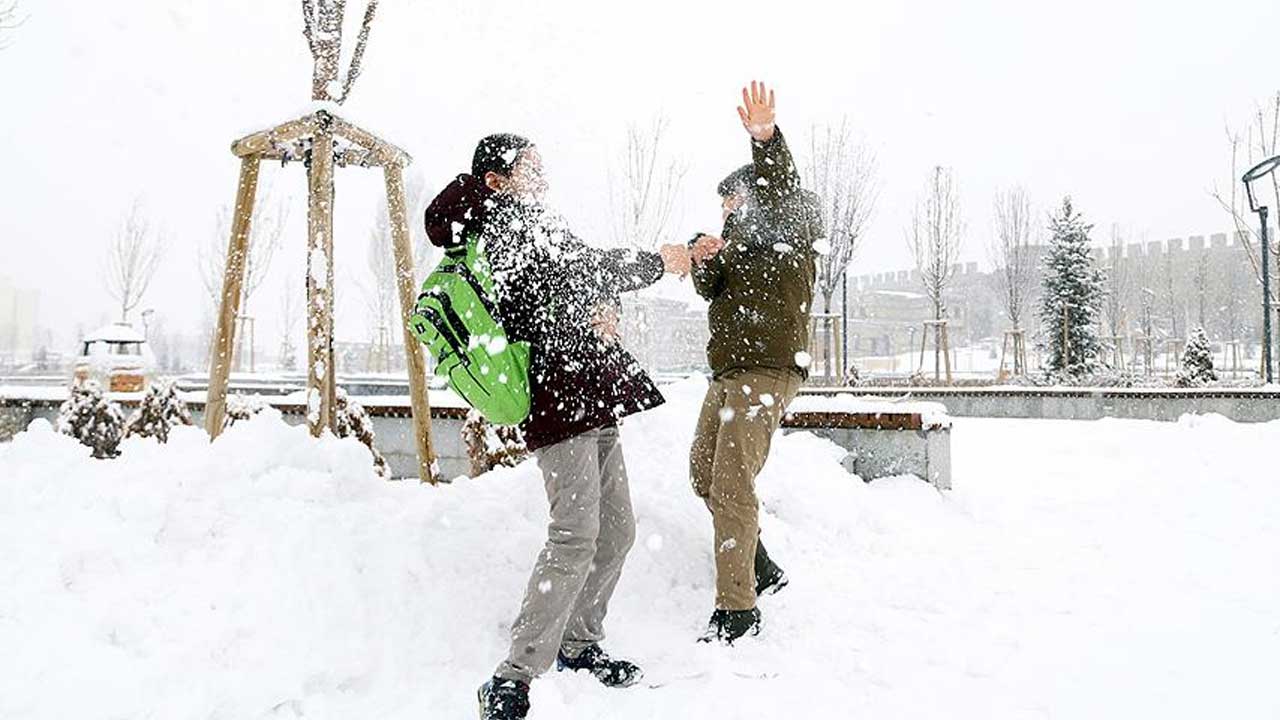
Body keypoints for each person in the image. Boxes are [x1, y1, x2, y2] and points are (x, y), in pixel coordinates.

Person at [423, 134, 693, 720]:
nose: (543, 175)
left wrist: (605, 310)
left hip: (590, 391)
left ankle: (579, 643)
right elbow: (583, 272)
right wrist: (659, 262)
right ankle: (513, 674)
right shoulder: (501, 225)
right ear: (497, 180)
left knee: (617, 529)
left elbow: (578, 284)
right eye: (530, 167)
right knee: (574, 533)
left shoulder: (534, 220)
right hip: (557, 396)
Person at [686, 81, 822, 644]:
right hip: (730, 373)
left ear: (758, 196)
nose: (727, 211)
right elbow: (709, 289)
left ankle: (738, 609)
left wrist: (764, 138)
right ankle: (760, 564)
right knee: (703, 473)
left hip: (767, 371)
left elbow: (782, 186)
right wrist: (701, 256)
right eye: (722, 206)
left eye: (734, 201)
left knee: (733, 484)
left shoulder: (790, 224)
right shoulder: (736, 246)